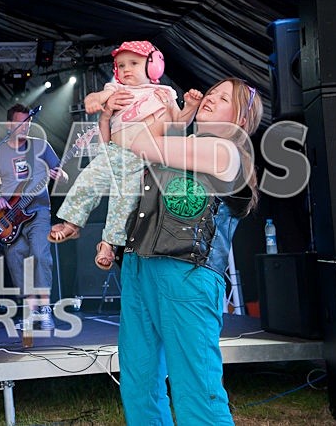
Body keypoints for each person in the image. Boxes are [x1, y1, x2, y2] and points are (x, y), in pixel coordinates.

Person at [114, 78, 262, 425]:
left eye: (223, 98)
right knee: (139, 384)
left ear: (241, 119)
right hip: (139, 267)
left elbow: (141, 142)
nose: (210, 99)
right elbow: (123, 143)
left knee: (196, 390)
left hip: (187, 275)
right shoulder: (185, 142)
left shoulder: (226, 150)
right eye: (210, 93)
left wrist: (178, 114)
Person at [47, 41, 203, 270]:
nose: (126, 69)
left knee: (124, 202)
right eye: (121, 65)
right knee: (86, 181)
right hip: (114, 152)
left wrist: (191, 106)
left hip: (143, 158)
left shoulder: (164, 93)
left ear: (154, 66)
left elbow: (179, 123)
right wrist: (94, 101)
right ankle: (72, 223)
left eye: (134, 63)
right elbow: (94, 97)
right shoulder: (117, 90)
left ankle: (109, 244)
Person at [0, 104, 67, 330]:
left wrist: (60, 175)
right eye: (20, 122)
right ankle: (31, 311)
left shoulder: (41, 146)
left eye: (28, 122)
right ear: (10, 125)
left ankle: (45, 311)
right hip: (10, 216)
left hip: (38, 210)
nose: (25, 126)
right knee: (16, 258)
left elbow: (62, 174)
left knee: (40, 253)